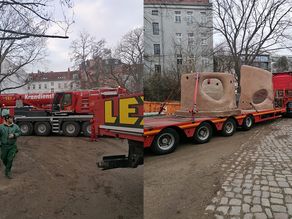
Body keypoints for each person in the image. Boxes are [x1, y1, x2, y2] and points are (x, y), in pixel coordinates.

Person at [0, 109, 21, 179]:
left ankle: (8, 171)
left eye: (12, 118)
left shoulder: (15, 126)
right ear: (6, 119)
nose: (12, 119)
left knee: (10, 159)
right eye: (10, 118)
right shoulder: (1, 127)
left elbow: (20, 132)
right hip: (3, 146)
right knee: (3, 158)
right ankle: (8, 167)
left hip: (12, 146)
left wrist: (14, 135)